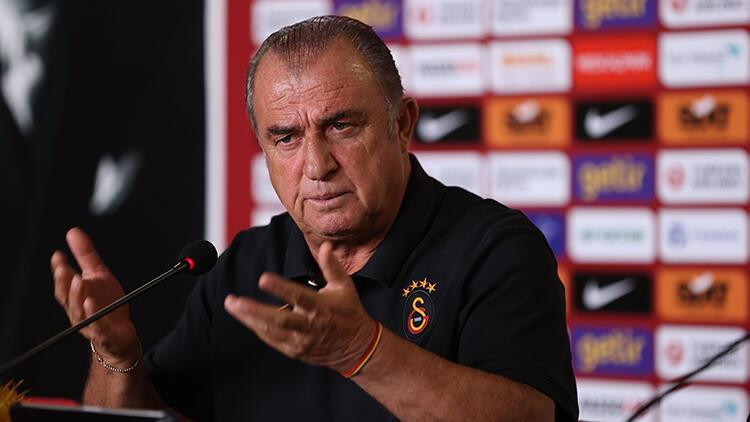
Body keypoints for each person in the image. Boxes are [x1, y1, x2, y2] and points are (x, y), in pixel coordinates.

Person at [51, 16, 578, 421]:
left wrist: (361, 350)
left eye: (341, 127)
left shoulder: (496, 250)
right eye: (286, 137)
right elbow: (155, 415)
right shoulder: (245, 265)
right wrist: (115, 357)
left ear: (401, 125)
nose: (316, 165)